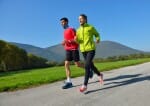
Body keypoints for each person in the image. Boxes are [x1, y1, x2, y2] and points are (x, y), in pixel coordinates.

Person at [75, 14, 104, 92]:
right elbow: (79, 41)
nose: (79, 20)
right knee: (91, 65)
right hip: (83, 50)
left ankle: (84, 85)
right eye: (79, 19)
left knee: (87, 66)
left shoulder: (90, 27)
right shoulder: (78, 30)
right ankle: (99, 74)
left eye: (81, 18)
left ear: (85, 19)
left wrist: (97, 39)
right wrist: (76, 40)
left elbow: (97, 34)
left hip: (91, 49)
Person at [60, 17, 87, 89]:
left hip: (74, 49)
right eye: (61, 23)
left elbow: (76, 39)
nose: (62, 24)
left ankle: (88, 70)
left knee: (77, 64)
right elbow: (67, 40)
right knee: (66, 64)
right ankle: (69, 82)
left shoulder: (72, 29)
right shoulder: (64, 31)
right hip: (68, 50)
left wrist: (68, 41)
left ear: (67, 22)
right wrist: (64, 43)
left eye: (63, 22)